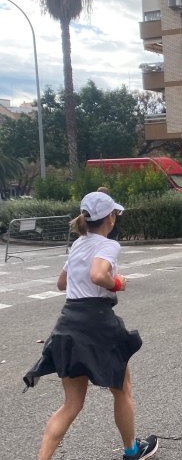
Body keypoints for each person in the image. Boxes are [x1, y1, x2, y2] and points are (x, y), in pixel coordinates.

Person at [22, 192, 158, 460]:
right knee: (121, 389)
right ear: (110, 218)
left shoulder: (78, 244)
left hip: (69, 322)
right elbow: (97, 274)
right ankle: (132, 451)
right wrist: (116, 283)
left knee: (71, 404)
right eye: (115, 214)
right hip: (98, 323)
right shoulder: (108, 245)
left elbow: (62, 283)